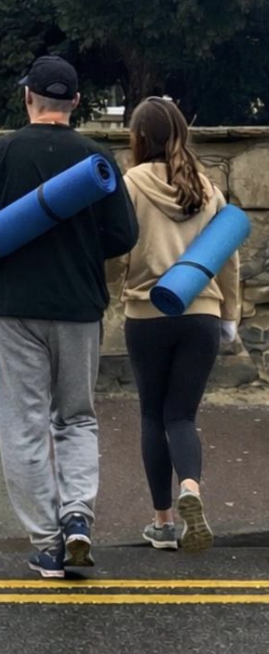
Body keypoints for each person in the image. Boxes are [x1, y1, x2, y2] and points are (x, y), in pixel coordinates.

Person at [0, 55, 138, 578]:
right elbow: (124, 236)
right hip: (80, 308)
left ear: (27, 97)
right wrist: (81, 249)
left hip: (16, 308)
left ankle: (47, 543)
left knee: (24, 426)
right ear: (77, 103)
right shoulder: (96, 158)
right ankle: (78, 515)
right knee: (77, 417)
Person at [106, 97, 241, 554]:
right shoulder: (208, 189)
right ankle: (192, 490)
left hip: (148, 315)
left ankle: (163, 523)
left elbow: (117, 250)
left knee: (151, 414)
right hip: (201, 314)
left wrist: (109, 285)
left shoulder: (130, 185)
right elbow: (228, 258)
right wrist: (229, 318)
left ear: (139, 138)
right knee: (181, 415)